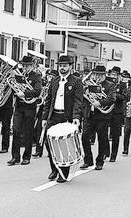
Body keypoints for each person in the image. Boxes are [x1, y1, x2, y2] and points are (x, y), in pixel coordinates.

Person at [41, 55, 83, 183]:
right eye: (61, 66)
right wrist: (44, 117)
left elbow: (78, 101)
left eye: (65, 66)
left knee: (64, 145)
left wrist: (76, 117)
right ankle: (54, 168)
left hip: (67, 116)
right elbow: (48, 100)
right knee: (49, 143)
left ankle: (63, 172)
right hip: (53, 116)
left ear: (70, 67)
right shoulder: (54, 80)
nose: (62, 68)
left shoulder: (76, 81)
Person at [7, 56, 41, 166]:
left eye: (27, 66)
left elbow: (37, 91)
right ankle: (15, 157)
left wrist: (25, 94)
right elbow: (14, 87)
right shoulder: (19, 75)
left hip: (29, 108)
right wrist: (15, 89)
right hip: (19, 107)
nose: (25, 68)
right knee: (16, 131)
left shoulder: (36, 76)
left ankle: (26, 157)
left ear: (32, 66)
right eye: (24, 66)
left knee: (28, 132)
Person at [80, 65, 116, 171]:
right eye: (96, 74)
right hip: (89, 115)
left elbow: (112, 99)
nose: (97, 77)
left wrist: (99, 102)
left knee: (102, 139)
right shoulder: (89, 84)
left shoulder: (110, 85)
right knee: (84, 137)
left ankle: (100, 161)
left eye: (100, 75)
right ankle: (88, 160)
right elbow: (84, 97)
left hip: (102, 116)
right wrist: (85, 93)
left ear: (104, 75)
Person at [107, 66, 126, 162]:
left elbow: (123, 97)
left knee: (115, 135)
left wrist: (114, 94)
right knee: (104, 133)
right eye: (112, 74)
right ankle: (105, 152)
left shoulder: (122, 85)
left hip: (117, 112)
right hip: (107, 110)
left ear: (119, 76)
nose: (113, 76)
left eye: (115, 74)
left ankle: (113, 155)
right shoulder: (107, 83)